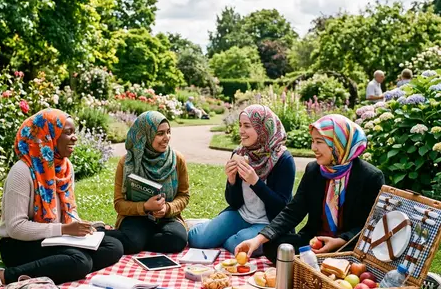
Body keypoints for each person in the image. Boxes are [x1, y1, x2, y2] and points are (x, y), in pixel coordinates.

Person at [0, 109, 123, 289]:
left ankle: (59, 266)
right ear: (48, 136)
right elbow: (16, 228)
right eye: (67, 132)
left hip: (53, 238)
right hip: (18, 245)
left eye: (74, 132)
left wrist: (84, 227)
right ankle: (2, 275)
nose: (74, 138)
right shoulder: (22, 172)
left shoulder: (64, 167)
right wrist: (63, 230)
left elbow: (67, 212)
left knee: (113, 247)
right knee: (80, 261)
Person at [235, 114, 384, 261]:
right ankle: (314, 262)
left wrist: (340, 241)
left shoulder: (370, 177)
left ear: (338, 143)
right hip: (314, 242)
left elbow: (371, 225)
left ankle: (319, 262)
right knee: (273, 246)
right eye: (312, 141)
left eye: (319, 142)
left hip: (349, 246)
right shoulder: (314, 170)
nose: (313, 147)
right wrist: (258, 239)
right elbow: (293, 211)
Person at [188, 104, 296, 254]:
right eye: (240, 125)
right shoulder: (239, 153)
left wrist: (256, 183)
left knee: (237, 245)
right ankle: (208, 226)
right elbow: (234, 202)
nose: (241, 131)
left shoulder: (283, 159)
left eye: (247, 126)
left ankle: (227, 235)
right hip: (242, 215)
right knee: (197, 240)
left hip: (269, 222)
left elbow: (282, 208)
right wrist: (231, 181)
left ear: (263, 128)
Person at [105, 111, 189, 254]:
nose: (166, 138)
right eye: (160, 133)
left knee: (177, 240)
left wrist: (167, 208)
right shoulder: (127, 163)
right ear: (145, 135)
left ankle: (138, 241)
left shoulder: (177, 159)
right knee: (133, 242)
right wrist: (144, 207)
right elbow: (119, 204)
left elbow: (184, 196)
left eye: (168, 132)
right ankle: (105, 234)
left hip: (167, 217)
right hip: (136, 217)